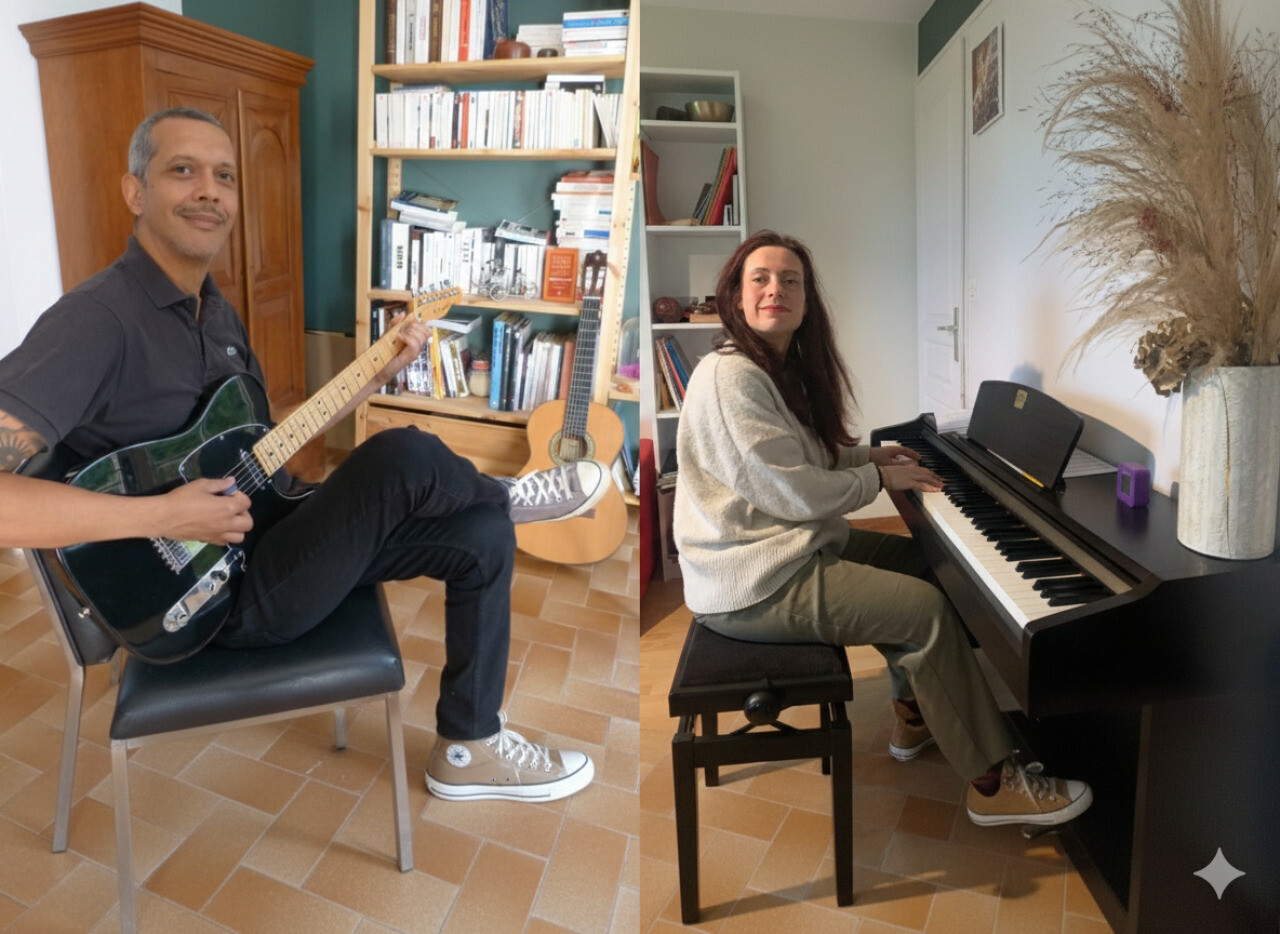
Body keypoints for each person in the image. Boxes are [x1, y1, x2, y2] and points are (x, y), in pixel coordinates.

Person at [0, 107, 604, 803]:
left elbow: (253, 449)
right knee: (401, 455)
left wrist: (369, 378)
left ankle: (468, 745)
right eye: (183, 170)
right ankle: (506, 492)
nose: (210, 190)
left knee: (480, 535)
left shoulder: (214, 313)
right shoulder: (95, 322)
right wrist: (161, 517)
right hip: (204, 600)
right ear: (136, 192)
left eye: (224, 176)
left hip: (269, 541)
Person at [672, 229, 1093, 827]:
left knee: (934, 570)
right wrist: (877, 482)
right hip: (752, 580)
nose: (776, 290)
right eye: (759, 279)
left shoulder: (774, 369)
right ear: (735, 298)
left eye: (790, 280)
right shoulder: (731, 377)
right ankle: (993, 786)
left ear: (807, 300)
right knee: (924, 610)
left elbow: (808, 459)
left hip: (783, 551)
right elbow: (792, 491)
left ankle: (915, 713)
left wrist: (873, 458)